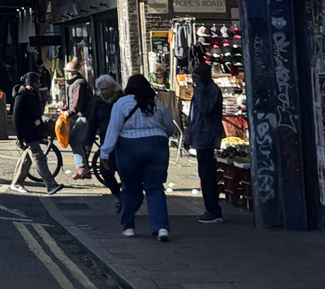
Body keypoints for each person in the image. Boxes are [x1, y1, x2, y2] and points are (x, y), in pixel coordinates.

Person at [101, 74, 176, 241]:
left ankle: (128, 227)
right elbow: (170, 128)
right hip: (157, 146)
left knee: (130, 188)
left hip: (129, 148)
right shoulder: (157, 104)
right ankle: (161, 227)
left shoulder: (121, 103)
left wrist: (105, 153)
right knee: (155, 188)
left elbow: (114, 129)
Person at [10, 72, 65, 196]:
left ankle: (16, 183)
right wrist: (19, 137)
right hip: (28, 132)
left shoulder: (33, 94)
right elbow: (16, 118)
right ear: (31, 84)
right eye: (37, 83)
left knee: (27, 158)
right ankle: (51, 185)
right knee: (39, 158)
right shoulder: (22, 96)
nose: (39, 85)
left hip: (34, 131)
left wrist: (44, 122)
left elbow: (37, 113)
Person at [185, 62, 225, 223]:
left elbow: (205, 109)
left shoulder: (211, 90)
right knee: (204, 173)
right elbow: (193, 116)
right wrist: (189, 137)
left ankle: (213, 210)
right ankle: (211, 208)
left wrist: (199, 88)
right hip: (200, 135)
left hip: (207, 137)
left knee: (208, 174)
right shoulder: (201, 90)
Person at [86, 74, 122, 211]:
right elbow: (92, 124)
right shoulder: (99, 103)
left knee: (124, 172)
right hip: (106, 143)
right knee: (105, 173)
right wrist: (88, 142)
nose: (103, 92)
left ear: (113, 87)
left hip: (122, 143)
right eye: (100, 89)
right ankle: (118, 196)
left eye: (106, 89)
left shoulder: (121, 100)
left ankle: (128, 198)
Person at [63, 60, 95, 179]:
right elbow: (69, 102)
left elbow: (76, 105)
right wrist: (64, 109)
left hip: (86, 116)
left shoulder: (78, 84)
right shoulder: (72, 83)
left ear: (71, 73)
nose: (66, 75)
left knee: (74, 139)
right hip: (80, 115)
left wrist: (69, 112)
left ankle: (82, 167)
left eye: (67, 73)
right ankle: (85, 166)